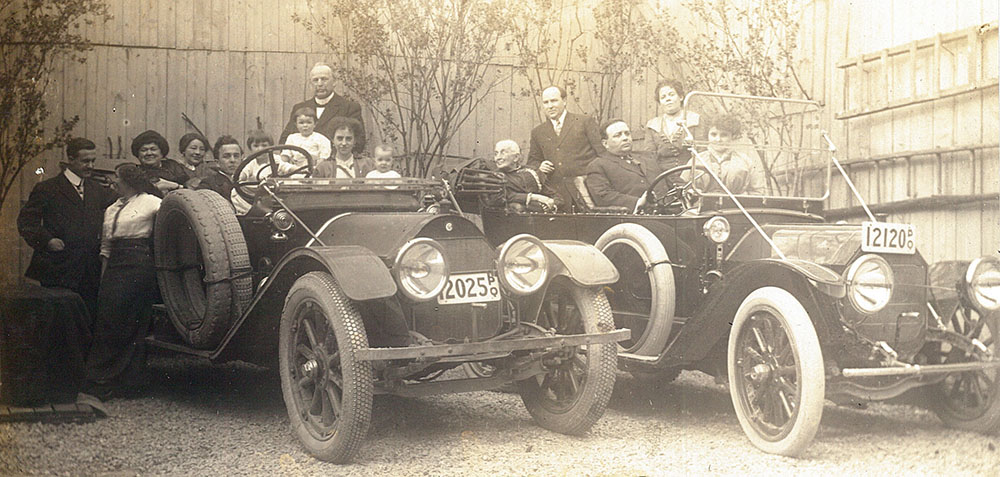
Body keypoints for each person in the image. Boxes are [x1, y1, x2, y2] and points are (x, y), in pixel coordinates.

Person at [17, 137, 117, 320]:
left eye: (93, 161)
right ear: (70, 159)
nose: (91, 166)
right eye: (85, 161)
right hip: (58, 268)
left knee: (87, 320)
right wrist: (47, 241)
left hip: (89, 269)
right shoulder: (47, 189)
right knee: (59, 321)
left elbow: (125, 200)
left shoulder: (97, 190)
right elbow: (26, 222)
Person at [86, 163, 162, 398]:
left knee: (131, 320)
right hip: (115, 266)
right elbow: (106, 247)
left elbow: (168, 226)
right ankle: (103, 377)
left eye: (116, 177)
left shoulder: (151, 202)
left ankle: (129, 381)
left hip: (139, 264)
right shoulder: (111, 208)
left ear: (128, 179)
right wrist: (103, 278)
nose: (112, 182)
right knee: (108, 319)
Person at [526, 85, 606, 211]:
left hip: (585, 192)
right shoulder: (538, 132)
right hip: (557, 195)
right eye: (546, 102)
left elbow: (602, 154)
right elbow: (532, 162)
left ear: (564, 101)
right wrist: (540, 166)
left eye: (554, 100)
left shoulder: (584, 122)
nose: (550, 106)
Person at [280, 62, 366, 154]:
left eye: (324, 79)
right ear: (310, 85)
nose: (320, 84)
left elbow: (358, 142)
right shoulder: (300, 108)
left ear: (334, 82)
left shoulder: (349, 107)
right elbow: (284, 140)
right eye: (315, 80)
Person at [585, 119, 663, 212]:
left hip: (672, 211)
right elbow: (603, 196)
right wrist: (638, 202)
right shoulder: (599, 165)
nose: (625, 138)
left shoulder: (647, 157)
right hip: (637, 218)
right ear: (605, 143)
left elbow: (670, 179)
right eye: (618, 135)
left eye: (627, 133)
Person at [684, 113, 766, 195]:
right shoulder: (697, 159)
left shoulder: (745, 161)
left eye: (724, 135)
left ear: (732, 136)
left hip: (735, 206)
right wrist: (692, 192)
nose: (718, 139)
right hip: (701, 206)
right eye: (713, 134)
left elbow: (758, 191)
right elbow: (683, 187)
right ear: (707, 135)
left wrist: (743, 197)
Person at [487, 140, 560, 212]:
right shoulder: (494, 177)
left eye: (503, 153)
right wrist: (535, 197)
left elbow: (554, 194)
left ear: (516, 157)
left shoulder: (531, 171)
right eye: (496, 154)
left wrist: (552, 204)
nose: (498, 157)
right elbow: (500, 197)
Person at [644, 79, 700, 171]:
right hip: (662, 176)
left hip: (689, 172)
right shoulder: (653, 125)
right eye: (663, 97)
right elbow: (649, 156)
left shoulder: (694, 120)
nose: (668, 99)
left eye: (671, 95)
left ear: (681, 97)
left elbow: (701, 153)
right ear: (660, 102)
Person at [196, 135, 243, 201]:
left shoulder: (247, 181)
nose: (233, 160)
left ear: (242, 159)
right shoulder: (208, 185)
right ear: (217, 162)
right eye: (226, 156)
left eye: (236, 156)